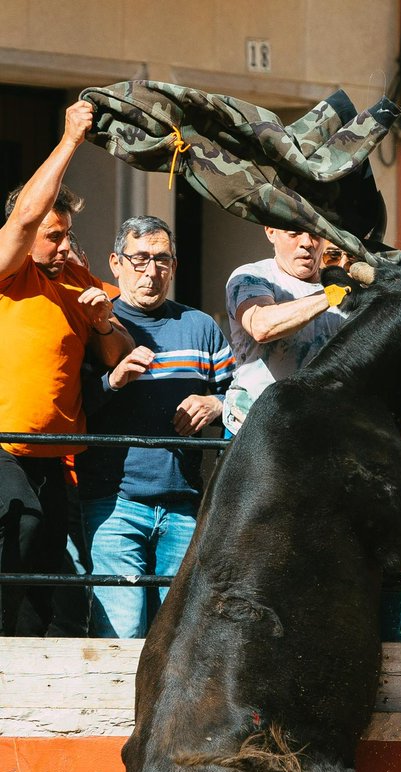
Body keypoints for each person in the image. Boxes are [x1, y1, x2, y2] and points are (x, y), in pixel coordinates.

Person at [0, 99, 132, 636]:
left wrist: (103, 323)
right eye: (53, 235)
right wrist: (70, 141)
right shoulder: (10, 274)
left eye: (66, 235)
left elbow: (118, 354)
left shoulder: (79, 281)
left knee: (52, 587)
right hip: (4, 446)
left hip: (58, 461)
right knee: (19, 538)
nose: (62, 245)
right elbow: (27, 215)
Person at [78, 215, 234, 637]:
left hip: (184, 504)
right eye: (140, 259)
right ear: (115, 263)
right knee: (122, 634)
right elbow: (73, 405)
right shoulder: (95, 324)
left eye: (162, 260)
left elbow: (244, 394)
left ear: (174, 266)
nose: (152, 272)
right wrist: (112, 380)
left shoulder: (200, 327)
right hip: (113, 506)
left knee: (179, 639)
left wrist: (216, 403)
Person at [223, 227, 346, 433]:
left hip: (321, 434)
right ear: (271, 232)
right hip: (253, 433)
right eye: (294, 233)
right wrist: (330, 295)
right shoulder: (251, 277)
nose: (307, 242)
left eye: (315, 235)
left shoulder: (342, 286)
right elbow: (262, 326)